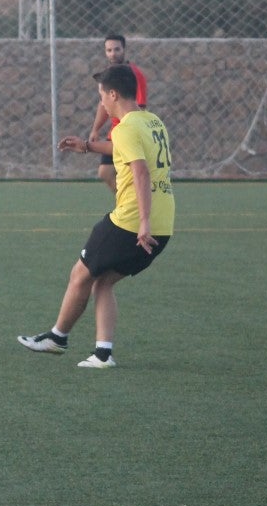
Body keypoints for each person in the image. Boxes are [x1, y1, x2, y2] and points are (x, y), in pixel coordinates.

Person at [18, 64, 173, 368]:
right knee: (102, 282)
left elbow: (140, 172)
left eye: (101, 96)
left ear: (113, 94)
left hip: (131, 223)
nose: (101, 102)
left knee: (80, 274)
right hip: (164, 224)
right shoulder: (153, 122)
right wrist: (87, 146)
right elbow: (123, 149)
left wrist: (143, 222)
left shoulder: (125, 127)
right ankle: (103, 354)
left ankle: (57, 337)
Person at [88, 34, 147, 194]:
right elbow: (104, 104)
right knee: (105, 172)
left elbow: (140, 107)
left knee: (132, 173)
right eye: (109, 50)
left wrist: (134, 132)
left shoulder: (134, 75)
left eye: (116, 49)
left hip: (128, 131)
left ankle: (137, 203)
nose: (113, 54)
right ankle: (128, 202)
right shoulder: (107, 75)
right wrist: (95, 129)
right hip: (115, 132)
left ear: (124, 50)